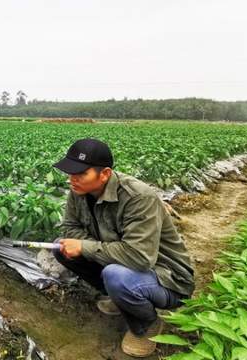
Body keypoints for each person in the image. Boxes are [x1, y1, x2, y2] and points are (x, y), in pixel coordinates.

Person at [52, 138, 194, 358]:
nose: (72, 180)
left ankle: (146, 325)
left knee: (115, 275)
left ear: (105, 174)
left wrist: (86, 246)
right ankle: (120, 298)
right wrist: (83, 245)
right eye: (70, 173)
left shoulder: (138, 197)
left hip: (168, 278)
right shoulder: (78, 191)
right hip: (125, 265)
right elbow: (70, 227)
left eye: (80, 174)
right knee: (61, 247)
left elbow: (139, 258)